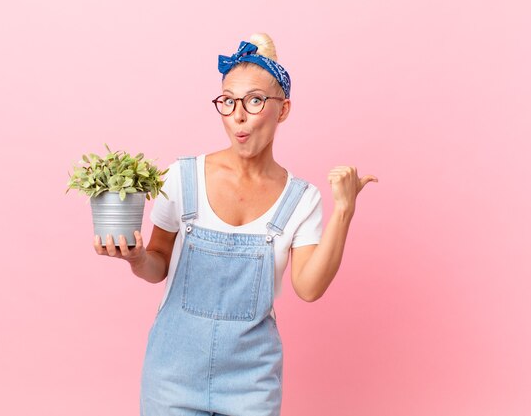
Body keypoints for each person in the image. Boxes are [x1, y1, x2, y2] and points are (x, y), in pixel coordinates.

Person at [93, 33, 378, 416]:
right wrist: (137, 257)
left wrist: (344, 211)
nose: (238, 116)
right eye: (227, 102)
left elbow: (309, 289)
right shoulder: (182, 177)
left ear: (283, 109)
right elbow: (157, 263)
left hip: (251, 384)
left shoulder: (302, 199)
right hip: (171, 378)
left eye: (254, 101)